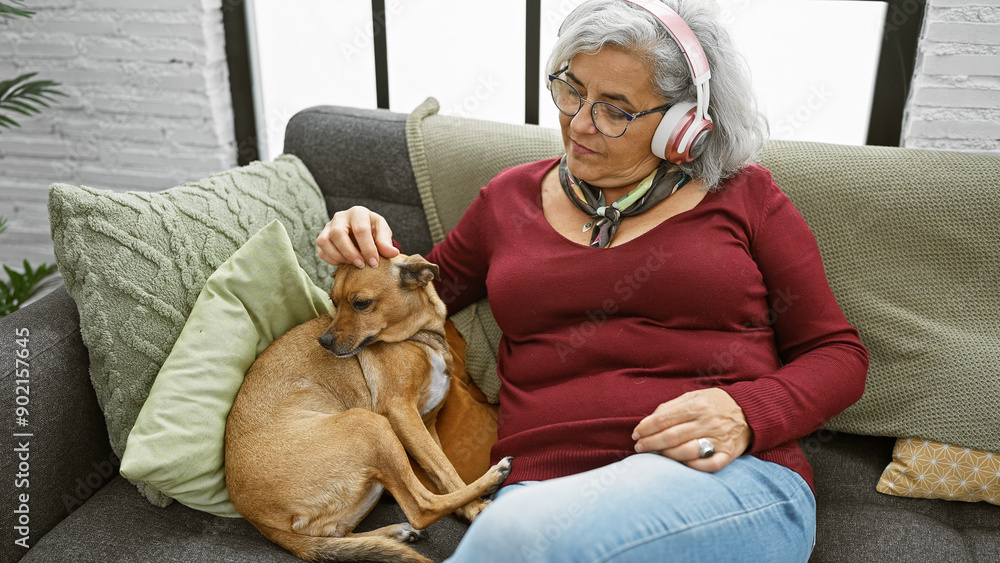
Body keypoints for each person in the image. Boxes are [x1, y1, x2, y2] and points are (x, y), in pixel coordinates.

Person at [316, 0, 868, 560]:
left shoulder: (748, 199)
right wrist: (357, 243)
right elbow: (415, 299)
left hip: (721, 479)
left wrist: (749, 413)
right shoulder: (508, 199)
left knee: (516, 537)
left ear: (683, 125)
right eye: (571, 90)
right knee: (522, 530)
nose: (579, 122)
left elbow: (838, 353)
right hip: (538, 493)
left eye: (615, 109)